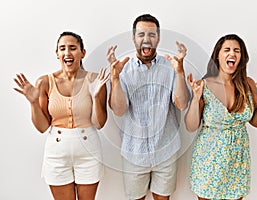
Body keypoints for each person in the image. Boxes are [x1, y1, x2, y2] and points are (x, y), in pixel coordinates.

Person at [184, 34, 257, 200]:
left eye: (237, 51)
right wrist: (195, 99)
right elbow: (191, 125)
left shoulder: (248, 84)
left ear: (241, 57)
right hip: (209, 160)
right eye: (227, 50)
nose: (232, 54)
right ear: (218, 55)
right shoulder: (204, 84)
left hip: (238, 160)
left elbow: (256, 122)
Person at [13, 31, 109, 200]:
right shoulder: (44, 82)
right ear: (57, 54)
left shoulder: (95, 79)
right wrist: (34, 102)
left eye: (73, 48)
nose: (67, 53)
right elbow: (43, 127)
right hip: (56, 152)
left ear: (82, 52)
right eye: (62, 48)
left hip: (89, 150)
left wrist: (95, 96)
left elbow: (99, 123)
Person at [107, 14, 190, 200]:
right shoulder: (123, 69)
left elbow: (182, 104)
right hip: (134, 152)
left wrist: (180, 72)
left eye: (152, 35)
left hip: (166, 149)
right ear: (133, 37)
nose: (146, 39)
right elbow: (119, 110)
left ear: (158, 38)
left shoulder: (171, 66)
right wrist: (114, 79)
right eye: (141, 34)